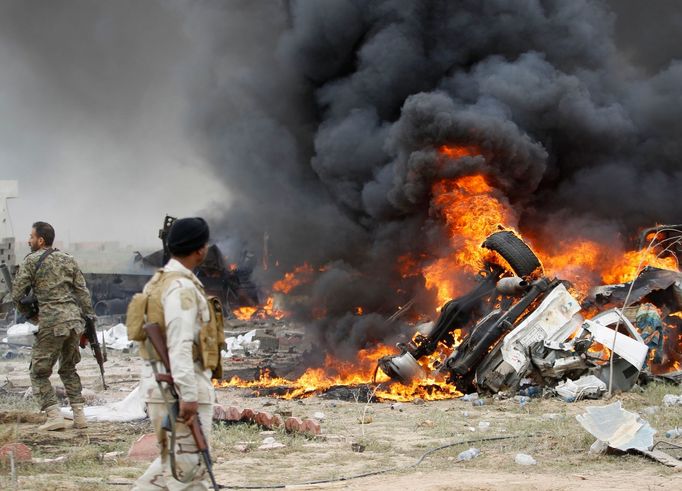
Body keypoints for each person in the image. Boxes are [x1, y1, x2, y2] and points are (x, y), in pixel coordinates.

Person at [132, 217, 217, 490]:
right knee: (191, 472)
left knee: (172, 464)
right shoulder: (181, 288)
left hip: (161, 383)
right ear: (200, 250)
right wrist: (188, 395)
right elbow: (179, 344)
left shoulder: (156, 283)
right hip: (180, 387)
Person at [11, 221, 96, 431]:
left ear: (40, 240)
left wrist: (32, 316)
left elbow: (17, 295)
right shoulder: (69, 260)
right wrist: (88, 319)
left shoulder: (31, 261)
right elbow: (83, 293)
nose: (28, 240)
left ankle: (53, 415)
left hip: (51, 322)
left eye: (31, 236)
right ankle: (79, 416)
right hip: (74, 322)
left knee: (38, 372)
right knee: (68, 369)